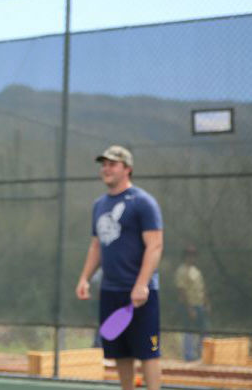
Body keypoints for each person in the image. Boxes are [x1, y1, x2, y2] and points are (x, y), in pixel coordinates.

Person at [75, 145, 164, 390]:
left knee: (148, 352)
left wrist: (141, 285)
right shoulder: (99, 205)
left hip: (141, 295)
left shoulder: (144, 203)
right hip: (111, 291)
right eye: (103, 164)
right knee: (120, 352)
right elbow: (97, 246)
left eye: (112, 164)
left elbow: (155, 246)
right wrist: (84, 278)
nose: (106, 168)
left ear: (127, 169)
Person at [174, 245, 209, 362]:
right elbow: (182, 291)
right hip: (189, 306)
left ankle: (202, 354)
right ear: (185, 257)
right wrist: (189, 309)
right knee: (188, 330)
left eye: (194, 255)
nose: (192, 258)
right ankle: (188, 356)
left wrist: (206, 303)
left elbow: (202, 288)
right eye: (189, 255)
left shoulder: (196, 270)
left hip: (200, 305)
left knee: (204, 330)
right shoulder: (181, 270)